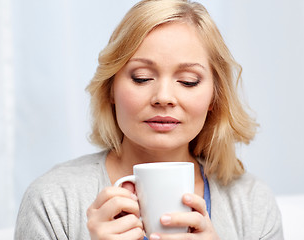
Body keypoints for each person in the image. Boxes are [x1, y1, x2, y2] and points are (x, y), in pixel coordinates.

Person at [15, 0, 284, 239]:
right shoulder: (52, 201)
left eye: (188, 81)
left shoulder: (252, 203)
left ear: (214, 97)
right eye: (141, 77)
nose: (163, 97)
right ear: (110, 88)